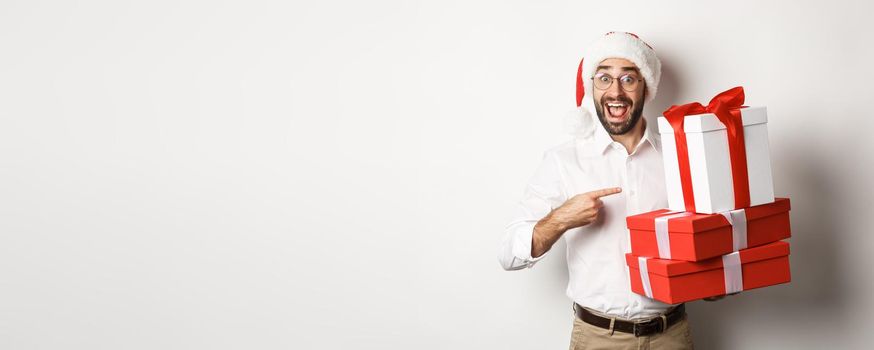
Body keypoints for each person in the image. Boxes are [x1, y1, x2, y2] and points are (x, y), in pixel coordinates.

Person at [497, 32, 694, 349]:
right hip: (599, 338)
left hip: (671, 335)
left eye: (628, 78)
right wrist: (561, 218)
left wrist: (717, 279)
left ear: (647, 87)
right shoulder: (564, 161)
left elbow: (705, 242)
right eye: (605, 78)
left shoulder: (679, 158)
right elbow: (509, 254)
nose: (615, 91)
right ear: (592, 87)